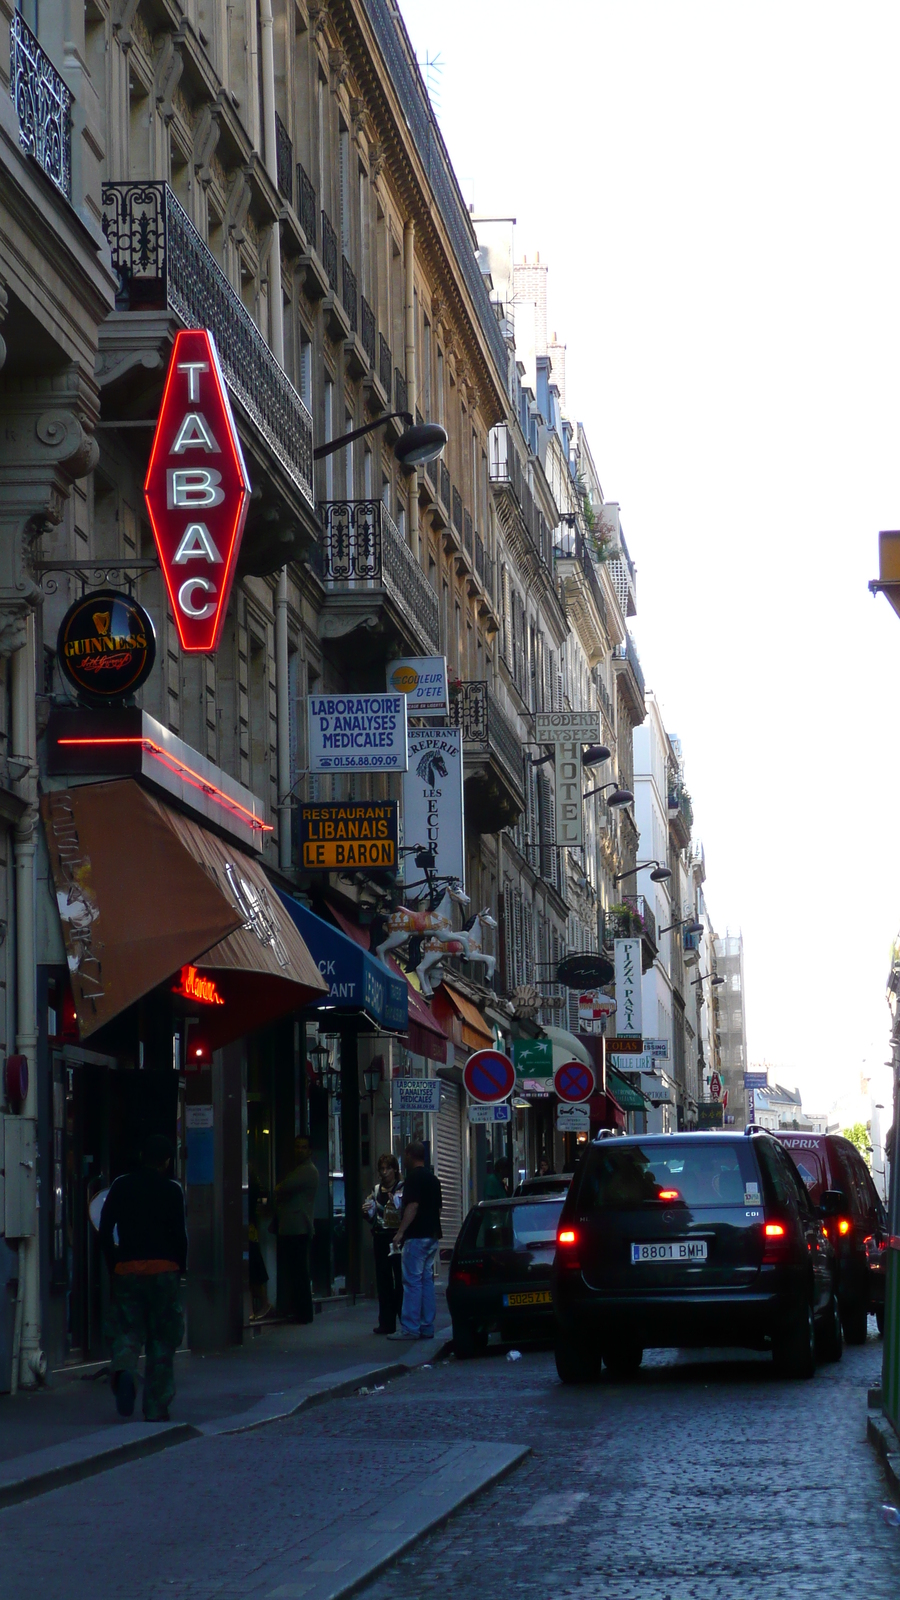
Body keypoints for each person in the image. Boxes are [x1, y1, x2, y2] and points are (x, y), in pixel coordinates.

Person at [98, 1133, 187, 1423]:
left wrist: (115, 1263)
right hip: (164, 1270)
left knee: (126, 1330)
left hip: (128, 1269)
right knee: (162, 1340)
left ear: (140, 1157)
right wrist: (178, 1268)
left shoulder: (121, 1185)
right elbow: (180, 1235)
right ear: (166, 1161)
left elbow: (105, 1228)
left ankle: (123, 1370)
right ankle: (156, 1407)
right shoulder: (172, 1189)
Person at [388, 1141, 442, 1342]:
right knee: (426, 1281)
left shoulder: (412, 1179)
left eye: (405, 1156)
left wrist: (400, 1232)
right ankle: (427, 1326)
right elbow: (437, 1209)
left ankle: (410, 1327)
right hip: (432, 1235)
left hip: (416, 1236)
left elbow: (412, 1206)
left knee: (411, 1282)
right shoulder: (433, 1179)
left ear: (410, 1156)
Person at [275, 1136, 318, 1323]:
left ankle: (303, 1312)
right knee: (296, 1272)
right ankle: (298, 1310)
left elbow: (283, 1187)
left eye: (303, 1147)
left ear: (309, 1151)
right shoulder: (301, 1170)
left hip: (298, 1228)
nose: (299, 1150)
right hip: (293, 1227)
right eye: (297, 1146)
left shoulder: (307, 1171)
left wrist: (279, 1188)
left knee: (299, 1272)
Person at [363, 1153, 404, 1334]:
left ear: (395, 1169)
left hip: (397, 1238)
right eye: (382, 1169)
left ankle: (404, 1319)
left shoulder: (402, 1187)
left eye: (388, 1168)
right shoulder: (376, 1189)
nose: (384, 1172)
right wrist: (366, 1211)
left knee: (401, 1280)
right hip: (381, 1236)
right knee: (383, 1280)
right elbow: (371, 1216)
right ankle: (386, 1322)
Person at [247, 1164, 273, 1321]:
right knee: (253, 1266)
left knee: (252, 1266)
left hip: (247, 1227)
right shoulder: (255, 1184)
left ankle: (259, 1304)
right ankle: (257, 1304)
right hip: (249, 1226)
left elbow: (263, 1199)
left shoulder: (252, 1184)